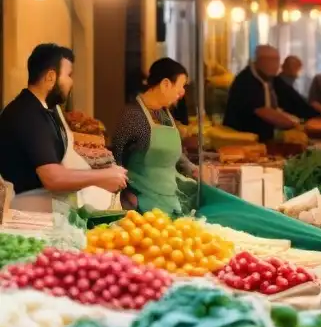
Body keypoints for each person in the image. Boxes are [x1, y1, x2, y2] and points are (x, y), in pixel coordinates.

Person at [0, 44, 127, 211]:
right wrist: (102, 177)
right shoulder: (27, 114)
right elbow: (52, 177)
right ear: (51, 77)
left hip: (43, 207)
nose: (71, 82)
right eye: (68, 75)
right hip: (24, 211)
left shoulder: (44, 110)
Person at [111, 58, 195, 214]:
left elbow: (168, 152)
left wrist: (191, 168)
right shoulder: (133, 116)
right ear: (165, 84)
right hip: (143, 204)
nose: (182, 93)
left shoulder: (165, 114)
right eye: (181, 86)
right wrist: (127, 195)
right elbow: (116, 157)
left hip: (171, 199)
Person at [223, 45, 300, 143]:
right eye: (273, 61)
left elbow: (272, 108)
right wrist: (294, 124)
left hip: (261, 139)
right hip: (241, 141)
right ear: (260, 61)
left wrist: (291, 119)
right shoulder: (247, 80)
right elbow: (264, 111)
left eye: (277, 60)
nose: (277, 65)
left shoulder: (266, 77)